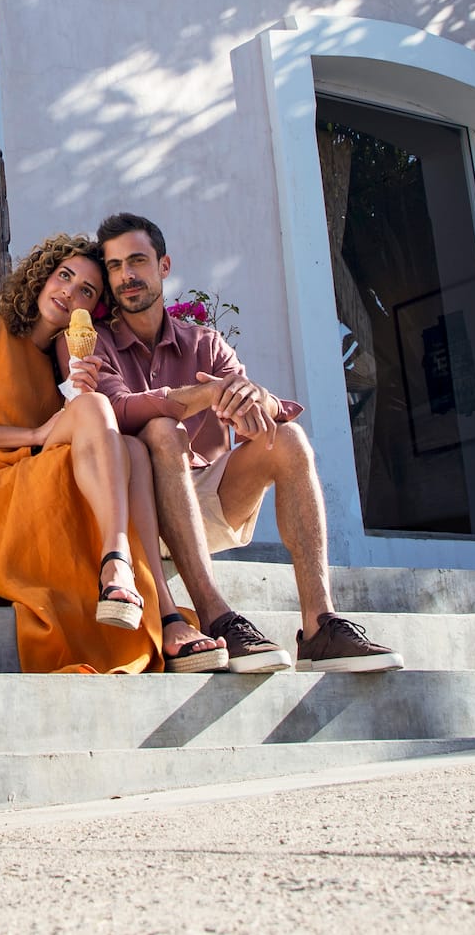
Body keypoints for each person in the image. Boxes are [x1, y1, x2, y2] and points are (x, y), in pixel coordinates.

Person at [77, 211, 403, 674]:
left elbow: (262, 416)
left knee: (287, 438)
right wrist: (202, 395)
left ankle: (320, 625)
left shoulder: (205, 343)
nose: (127, 276)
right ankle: (217, 616)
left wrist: (257, 402)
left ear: (164, 266)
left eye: (137, 261)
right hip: (137, 513)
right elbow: (119, 409)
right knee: (161, 429)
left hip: (205, 500)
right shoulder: (98, 344)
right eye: (114, 267)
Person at [0, 233, 227, 674]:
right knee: (97, 412)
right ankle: (119, 565)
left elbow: (80, 436)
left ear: (94, 308)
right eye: (64, 276)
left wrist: (76, 388)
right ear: (42, 275)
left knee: (131, 447)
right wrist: (34, 432)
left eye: (86, 290)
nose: (69, 292)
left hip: (32, 468)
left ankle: (161, 609)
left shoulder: (65, 360)